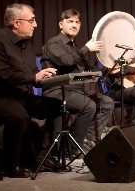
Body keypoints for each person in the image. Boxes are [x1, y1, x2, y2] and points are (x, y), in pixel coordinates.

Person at [0, 4, 61, 177]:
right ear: (17, 23)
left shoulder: (27, 46)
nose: (36, 24)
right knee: (19, 115)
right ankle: (10, 165)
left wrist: (45, 79)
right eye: (31, 20)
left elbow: (31, 76)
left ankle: (39, 155)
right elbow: (0, 75)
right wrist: (34, 78)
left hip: (17, 94)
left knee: (56, 106)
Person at [41, 9, 114, 148]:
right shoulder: (54, 43)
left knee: (107, 103)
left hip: (75, 91)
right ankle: (75, 147)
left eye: (77, 22)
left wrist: (109, 66)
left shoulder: (75, 47)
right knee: (89, 105)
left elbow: (88, 72)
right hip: (56, 91)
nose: (74, 25)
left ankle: (88, 140)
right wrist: (86, 49)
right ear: (60, 24)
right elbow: (66, 61)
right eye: (70, 21)